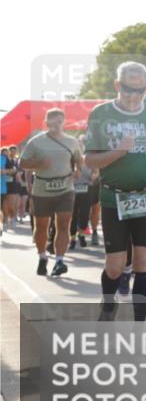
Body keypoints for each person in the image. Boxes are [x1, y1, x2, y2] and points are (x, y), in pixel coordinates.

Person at [83, 62, 146, 321]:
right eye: (127, 89)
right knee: (114, 266)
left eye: (139, 90)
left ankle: (139, 325)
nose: (133, 95)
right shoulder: (101, 114)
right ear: (117, 85)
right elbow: (90, 160)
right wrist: (119, 151)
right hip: (114, 198)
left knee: (143, 262)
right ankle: (108, 305)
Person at [20, 109, 83, 277]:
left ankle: (59, 261)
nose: (55, 126)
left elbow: (78, 159)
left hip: (65, 189)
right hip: (42, 189)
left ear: (64, 122)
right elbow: (23, 163)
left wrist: (77, 169)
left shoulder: (72, 141)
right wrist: (38, 162)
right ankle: (42, 257)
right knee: (42, 227)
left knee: (63, 225)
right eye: (51, 122)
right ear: (46, 123)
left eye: (59, 122)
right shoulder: (36, 142)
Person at [69, 133, 96, 249]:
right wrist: (73, 173)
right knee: (73, 214)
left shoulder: (90, 158)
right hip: (73, 189)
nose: (82, 145)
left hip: (87, 188)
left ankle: (81, 234)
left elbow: (95, 173)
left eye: (84, 142)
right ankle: (73, 238)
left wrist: (95, 174)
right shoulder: (71, 158)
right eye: (80, 142)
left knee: (85, 214)